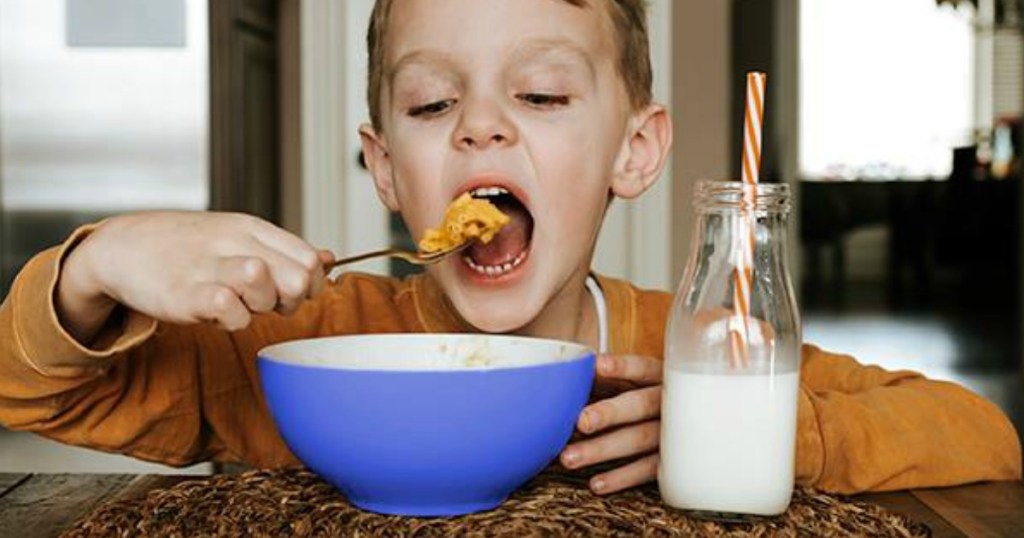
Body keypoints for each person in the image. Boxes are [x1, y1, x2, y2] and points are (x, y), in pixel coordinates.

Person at [0, 0, 1019, 496]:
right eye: (433, 101)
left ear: (633, 149)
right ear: (386, 168)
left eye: (537, 95)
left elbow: (982, 436)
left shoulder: (693, 356)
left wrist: (773, 439)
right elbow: (37, 394)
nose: (480, 128)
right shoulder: (299, 346)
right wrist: (94, 265)